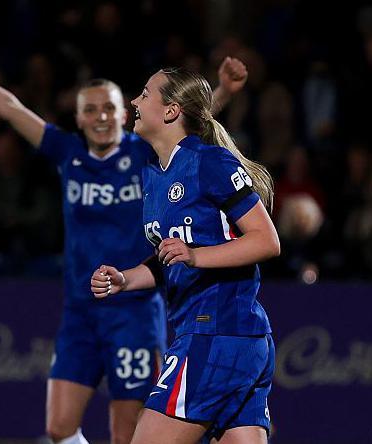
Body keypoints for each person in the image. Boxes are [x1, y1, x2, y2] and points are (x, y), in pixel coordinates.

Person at [0, 23, 247, 444]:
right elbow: (8, 107)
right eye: (90, 109)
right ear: (78, 118)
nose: (100, 117)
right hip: (81, 309)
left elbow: (187, 121)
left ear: (123, 113)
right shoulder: (69, 154)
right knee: (58, 427)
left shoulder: (144, 152)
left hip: (135, 309)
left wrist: (223, 90)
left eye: (109, 108)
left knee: (125, 434)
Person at [91, 67, 279, 443]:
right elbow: (170, 257)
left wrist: (195, 256)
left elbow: (266, 240)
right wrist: (126, 278)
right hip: (228, 338)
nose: (134, 102)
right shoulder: (154, 174)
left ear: (172, 111)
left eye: (144, 94)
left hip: (215, 332)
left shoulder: (209, 162)